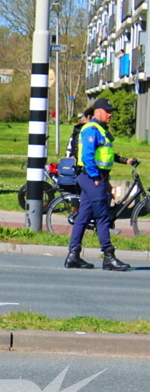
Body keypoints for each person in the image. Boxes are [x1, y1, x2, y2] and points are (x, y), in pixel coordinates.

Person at [64, 98, 137, 271]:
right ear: (97, 112)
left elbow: (105, 153)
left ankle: (73, 256)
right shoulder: (91, 129)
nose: (110, 114)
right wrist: (96, 177)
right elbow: (88, 156)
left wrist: (125, 160)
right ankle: (109, 257)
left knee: (83, 217)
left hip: (92, 177)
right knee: (103, 216)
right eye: (107, 111)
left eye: (111, 111)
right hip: (91, 177)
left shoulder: (101, 130)